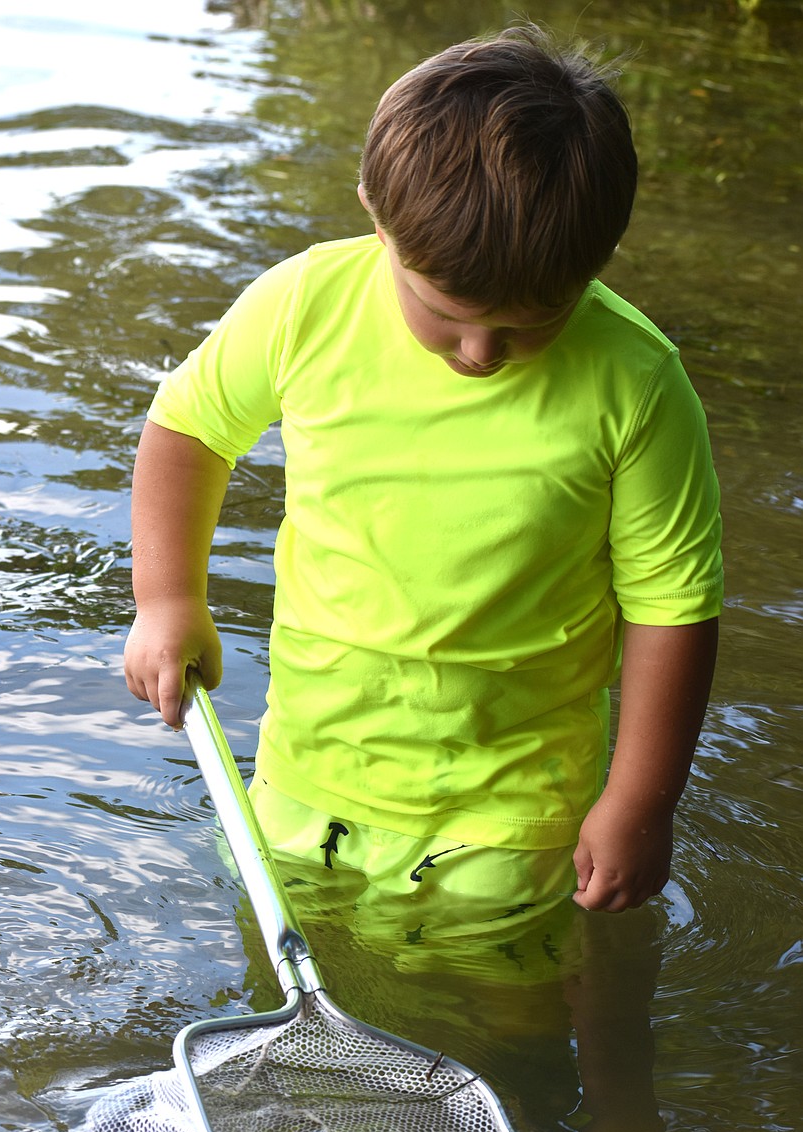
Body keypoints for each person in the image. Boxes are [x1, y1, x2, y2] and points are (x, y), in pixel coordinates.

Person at [124, 24, 722, 924]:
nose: (481, 354)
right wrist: (169, 600)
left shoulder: (636, 383)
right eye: (445, 313)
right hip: (303, 774)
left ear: (593, 266)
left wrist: (640, 800)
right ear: (376, 212)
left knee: (492, 1019)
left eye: (530, 324)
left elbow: (672, 604)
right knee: (280, 992)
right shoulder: (304, 306)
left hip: (511, 813)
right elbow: (191, 429)